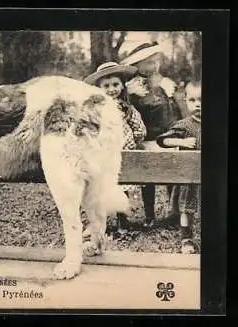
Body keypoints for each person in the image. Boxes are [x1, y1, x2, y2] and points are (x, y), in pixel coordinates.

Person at [120, 42, 185, 228]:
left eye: (155, 61)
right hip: (147, 137)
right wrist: (131, 93)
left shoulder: (164, 82)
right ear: (138, 65)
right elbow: (132, 109)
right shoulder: (131, 86)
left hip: (167, 134)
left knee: (173, 176)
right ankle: (149, 215)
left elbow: (176, 107)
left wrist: (170, 92)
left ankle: (175, 213)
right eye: (148, 62)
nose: (154, 66)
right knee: (147, 179)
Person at [83, 62, 147, 234]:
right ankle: (97, 222)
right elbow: (89, 129)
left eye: (115, 84)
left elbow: (139, 129)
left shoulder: (127, 108)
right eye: (106, 86)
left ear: (122, 86)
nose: (112, 89)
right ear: (99, 89)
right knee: (99, 186)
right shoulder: (95, 110)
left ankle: (122, 222)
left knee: (122, 186)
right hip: (103, 153)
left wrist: (134, 140)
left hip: (123, 152)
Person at [155, 81, 201, 253]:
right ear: (186, 101)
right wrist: (181, 142)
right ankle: (186, 238)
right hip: (188, 176)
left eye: (202, 100)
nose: (198, 104)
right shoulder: (185, 125)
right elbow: (162, 140)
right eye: (192, 100)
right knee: (187, 209)